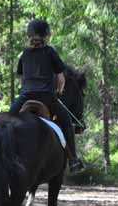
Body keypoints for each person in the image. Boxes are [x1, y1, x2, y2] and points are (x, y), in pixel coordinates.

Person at [9, 19, 85, 173]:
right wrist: (59, 91)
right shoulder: (50, 52)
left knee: (7, 119)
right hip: (47, 98)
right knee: (67, 122)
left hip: (25, 97)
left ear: (29, 35)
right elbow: (61, 78)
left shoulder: (24, 54)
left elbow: (22, 78)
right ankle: (74, 161)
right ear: (46, 36)